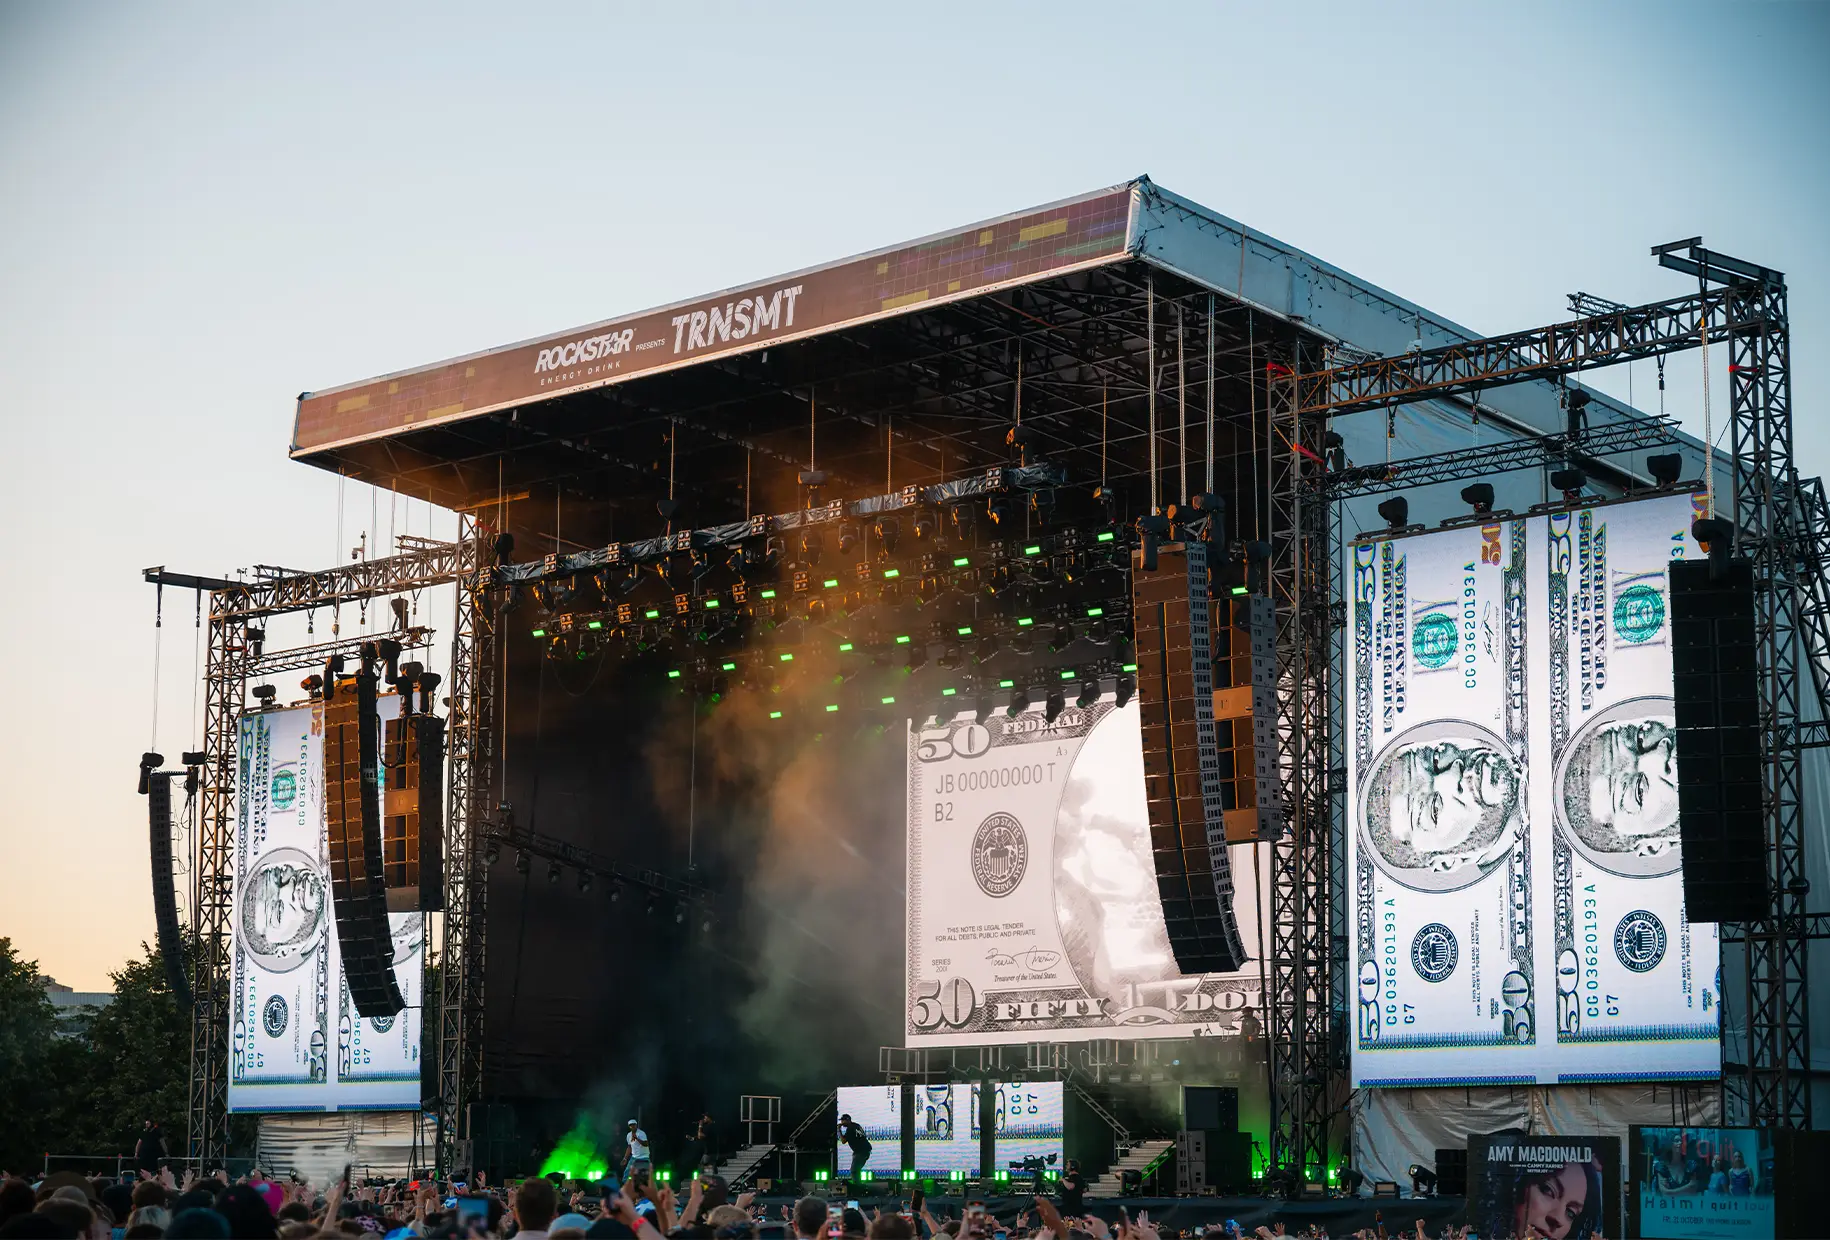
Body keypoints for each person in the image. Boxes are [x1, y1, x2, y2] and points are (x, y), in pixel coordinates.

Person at [837, 1114, 873, 1183]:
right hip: (865, 1150)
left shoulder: (850, 1128)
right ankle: (858, 1185)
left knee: (854, 1171)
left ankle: (858, 1187)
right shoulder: (856, 1125)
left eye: (843, 1120)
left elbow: (843, 1141)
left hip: (860, 1152)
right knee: (856, 1170)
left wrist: (839, 1130)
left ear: (847, 1120)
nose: (841, 1123)